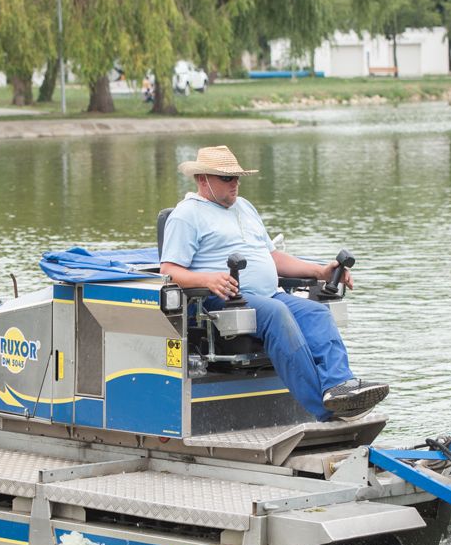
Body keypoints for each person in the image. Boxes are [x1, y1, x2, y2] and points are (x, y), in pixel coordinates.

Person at [160, 145, 389, 421]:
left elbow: (273, 257)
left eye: (237, 178)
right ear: (202, 179)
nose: (235, 184)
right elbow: (170, 271)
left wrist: (321, 272)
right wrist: (207, 279)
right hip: (225, 300)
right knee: (277, 313)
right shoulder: (186, 215)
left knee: (317, 313)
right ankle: (323, 410)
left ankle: (340, 388)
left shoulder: (245, 207)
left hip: (268, 295)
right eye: (227, 178)